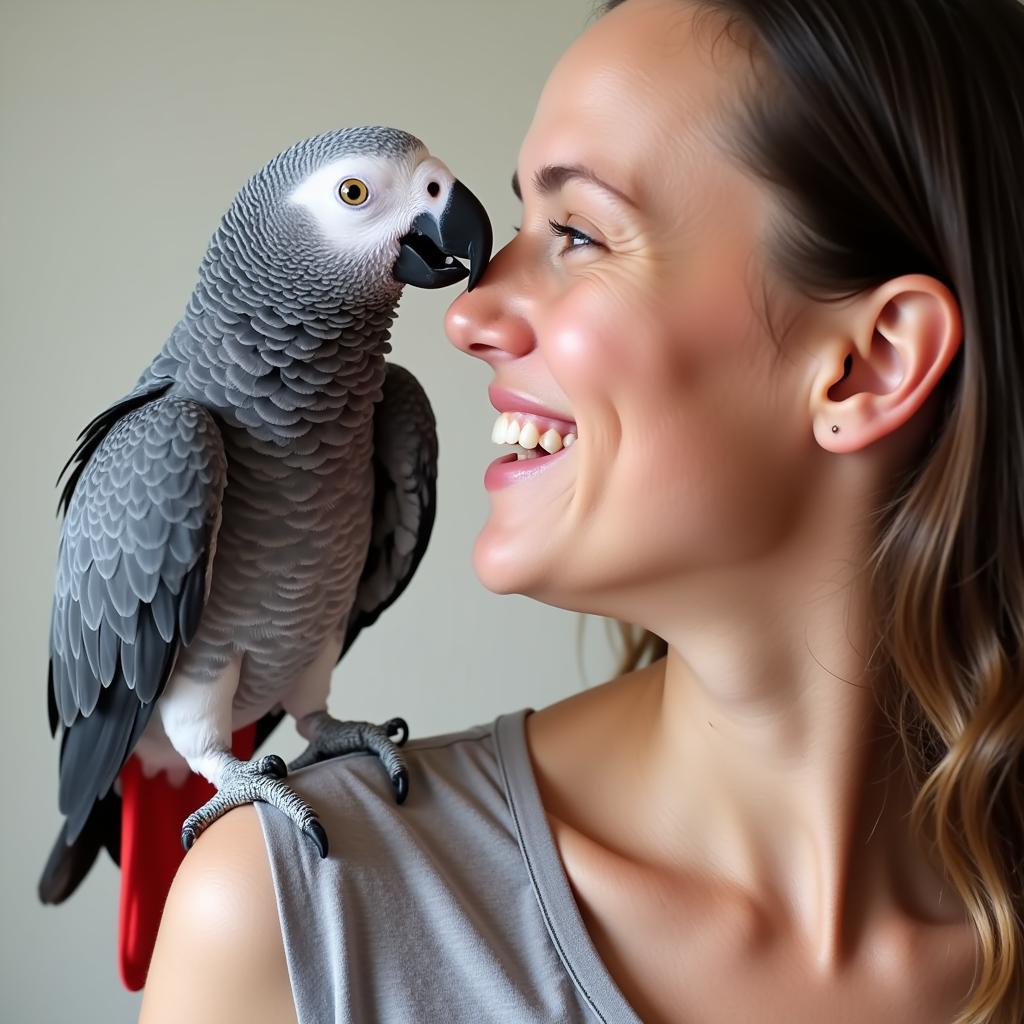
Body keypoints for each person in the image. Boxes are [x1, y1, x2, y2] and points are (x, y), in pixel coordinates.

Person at [139, 0, 1024, 1021]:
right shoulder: (294, 917)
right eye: (517, 222)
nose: (465, 314)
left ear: (868, 365)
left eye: (576, 232)